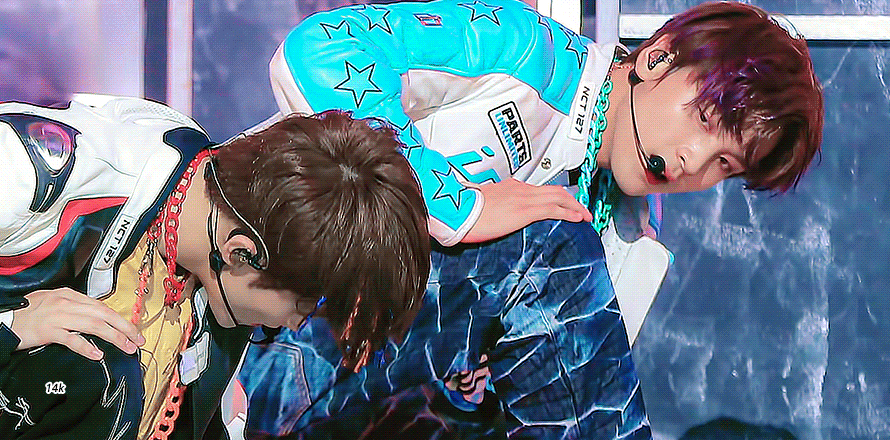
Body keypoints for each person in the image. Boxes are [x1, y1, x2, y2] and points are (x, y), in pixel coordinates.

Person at [236, 0, 823, 439]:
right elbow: (319, 51)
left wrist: (471, 385)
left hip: (344, 402)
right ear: (658, 58)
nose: (695, 160)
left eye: (725, 163)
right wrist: (459, 205)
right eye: (704, 119)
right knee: (555, 243)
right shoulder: (523, 48)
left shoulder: (631, 244)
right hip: (249, 309)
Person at [0, 94, 430, 439]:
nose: (295, 326)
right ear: (241, 252)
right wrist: (13, 325)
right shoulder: (45, 172)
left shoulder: (218, 287)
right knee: (98, 368)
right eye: (305, 306)